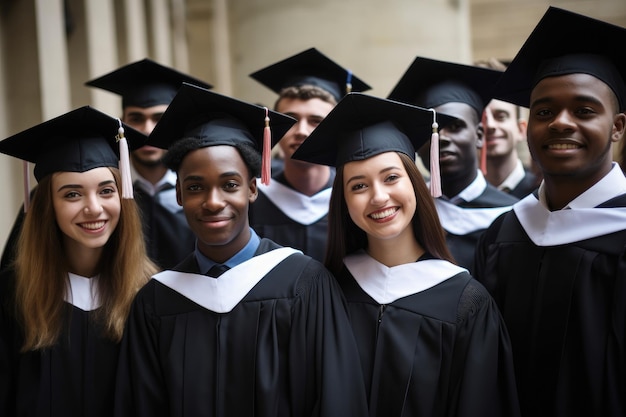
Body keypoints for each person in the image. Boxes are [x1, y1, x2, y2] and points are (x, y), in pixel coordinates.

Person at [113, 83, 369, 417]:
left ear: (252, 189)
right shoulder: (156, 301)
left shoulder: (305, 284)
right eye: (195, 187)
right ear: (179, 195)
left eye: (230, 185)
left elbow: (337, 399)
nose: (213, 201)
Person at [292, 92, 521, 417]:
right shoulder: (326, 292)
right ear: (342, 201)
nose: (378, 196)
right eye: (358, 186)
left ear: (416, 183)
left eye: (391, 177)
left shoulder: (466, 303)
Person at [473, 7, 626, 417]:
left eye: (584, 110)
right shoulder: (504, 233)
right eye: (543, 112)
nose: (560, 123)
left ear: (618, 127)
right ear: (529, 128)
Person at [0, 106, 158, 417]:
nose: (93, 208)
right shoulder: (11, 296)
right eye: (72, 194)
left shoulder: (152, 295)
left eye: (107, 191)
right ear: (48, 207)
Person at [388, 56, 519, 271]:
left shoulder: (512, 215)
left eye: (456, 126)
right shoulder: (403, 212)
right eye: (432, 131)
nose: (443, 138)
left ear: (479, 136)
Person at [85, 58, 212, 269]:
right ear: (121, 124)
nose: (147, 129)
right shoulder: (107, 191)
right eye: (136, 118)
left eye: (159, 118)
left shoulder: (201, 189)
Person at [247, 47, 371, 262]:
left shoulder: (356, 198)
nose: (302, 130)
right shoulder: (252, 201)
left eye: (316, 121)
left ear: (334, 128)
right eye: (291, 120)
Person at [475, 58, 539, 198]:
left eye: (501, 116)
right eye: (481, 118)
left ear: (521, 129)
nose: (490, 125)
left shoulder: (541, 193)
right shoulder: (459, 198)